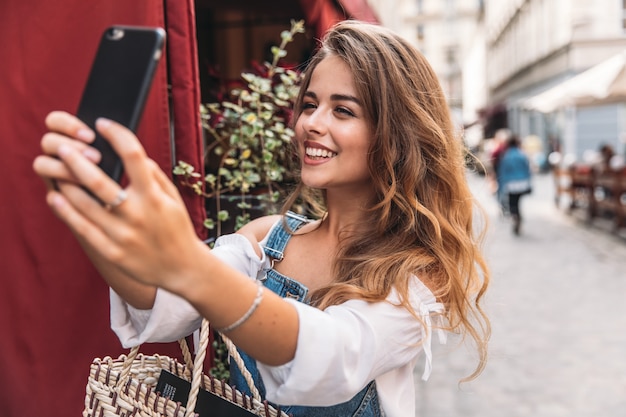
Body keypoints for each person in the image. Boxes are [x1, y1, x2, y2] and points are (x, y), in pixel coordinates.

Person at [33, 20, 490, 417]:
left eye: (343, 110)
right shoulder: (268, 239)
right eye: (309, 104)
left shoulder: (415, 277)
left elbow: (332, 358)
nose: (311, 123)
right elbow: (165, 304)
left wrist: (189, 264)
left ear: (394, 136)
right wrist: (88, 216)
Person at [497, 135, 532, 235]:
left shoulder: (506, 156)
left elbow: (502, 171)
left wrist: (501, 185)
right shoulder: (522, 155)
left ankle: (515, 216)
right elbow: (528, 170)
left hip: (511, 183)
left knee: (513, 203)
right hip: (522, 183)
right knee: (518, 202)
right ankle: (518, 216)